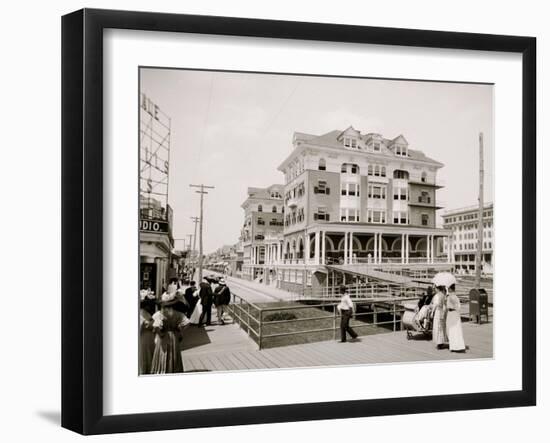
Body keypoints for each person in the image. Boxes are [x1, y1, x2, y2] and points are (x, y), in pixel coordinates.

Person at [150, 288, 190, 374]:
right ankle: (173, 371)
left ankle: (162, 371)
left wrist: (159, 332)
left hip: (163, 337)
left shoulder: (159, 314)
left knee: (162, 354)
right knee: (173, 354)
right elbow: (187, 323)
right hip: (174, 336)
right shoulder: (178, 314)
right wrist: (179, 329)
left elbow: (155, 327)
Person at [139, 289, 156, 375]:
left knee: (148, 354)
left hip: (149, 337)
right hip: (143, 338)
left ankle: (149, 370)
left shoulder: (146, 312)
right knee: (144, 355)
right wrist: (148, 325)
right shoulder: (140, 313)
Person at [446, 284, 466, 352]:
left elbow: (457, 306)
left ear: (451, 289)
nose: (448, 290)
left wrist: (452, 305)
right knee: (453, 329)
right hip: (453, 314)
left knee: (452, 329)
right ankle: (454, 345)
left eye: (449, 288)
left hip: (452, 314)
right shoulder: (452, 297)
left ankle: (455, 346)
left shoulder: (452, 297)